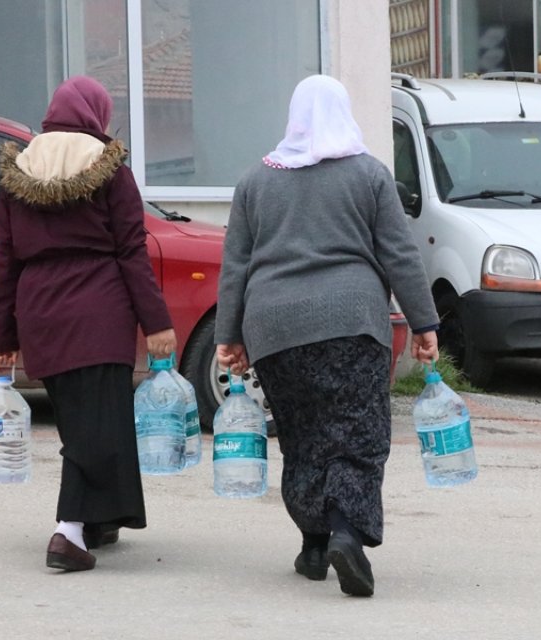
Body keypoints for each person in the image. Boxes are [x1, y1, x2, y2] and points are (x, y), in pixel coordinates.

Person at [215, 74, 440, 597]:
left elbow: (236, 267)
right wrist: (425, 322)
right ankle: (344, 532)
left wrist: (229, 335)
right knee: (356, 436)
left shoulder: (256, 180)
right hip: (352, 324)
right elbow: (399, 255)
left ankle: (313, 545)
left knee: (303, 437)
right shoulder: (369, 175)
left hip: (276, 330)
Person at [0, 76, 176, 572]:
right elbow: (131, 251)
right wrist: (156, 323)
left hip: (40, 312)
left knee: (84, 422)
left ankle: (100, 521)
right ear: (95, 114)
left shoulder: (18, 171)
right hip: (100, 310)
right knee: (96, 429)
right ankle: (68, 531)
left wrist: (0, 336)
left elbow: (5, 259)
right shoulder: (109, 169)